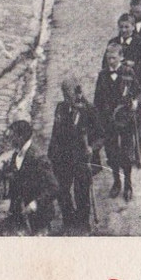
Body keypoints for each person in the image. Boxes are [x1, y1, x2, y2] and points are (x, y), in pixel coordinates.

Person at [47, 76, 101, 233]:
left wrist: (92, 147)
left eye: (68, 94)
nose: (65, 98)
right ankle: (69, 219)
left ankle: (83, 222)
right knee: (62, 190)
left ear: (78, 92)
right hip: (62, 159)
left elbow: (101, 135)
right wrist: (51, 155)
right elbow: (55, 133)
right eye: (64, 94)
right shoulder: (61, 108)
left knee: (81, 192)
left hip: (81, 160)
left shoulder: (89, 110)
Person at [94, 46, 141, 201]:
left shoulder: (128, 72)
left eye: (113, 58)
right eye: (108, 58)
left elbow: (140, 92)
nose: (110, 61)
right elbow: (97, 100)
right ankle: (116, 181)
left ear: (121, 58)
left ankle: (128, 184)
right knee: (112, 153)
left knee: (126, 154)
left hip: (125, 120)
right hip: (108, 122)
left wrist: (135, 101)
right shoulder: (102, 75)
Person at [1, 120, 59, 235]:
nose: (9, 140)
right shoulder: (16, 155)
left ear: (21, 137)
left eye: (12, 136)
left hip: (39, 216)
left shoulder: (38, 158)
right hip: (21, 215)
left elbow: (54, 188)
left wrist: (34, 204)